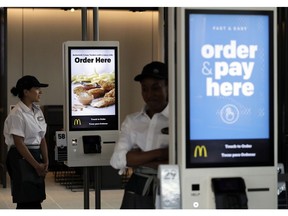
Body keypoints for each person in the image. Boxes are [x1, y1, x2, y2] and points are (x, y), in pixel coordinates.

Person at [110, 61, 169, 209]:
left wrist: (138, 159)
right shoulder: (132, 121)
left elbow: (182, 161)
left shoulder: (180, 120)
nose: (149, 95)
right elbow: (117, 160)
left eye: (156, 88)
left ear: (169, 87)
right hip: (137, 188)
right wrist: (161, 153)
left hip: (171, 188)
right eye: (144, 89)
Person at [4, 75, 49, 209]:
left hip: (35, 155)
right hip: (21, 157)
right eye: (36, 88)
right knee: (26, 199)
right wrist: (36, 165)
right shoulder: (17, 113)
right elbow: (19, 143)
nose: (40, 92)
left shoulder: (37, 110)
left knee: (36, 197)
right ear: (25, 92)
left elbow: (42, 138)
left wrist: (46, 161)